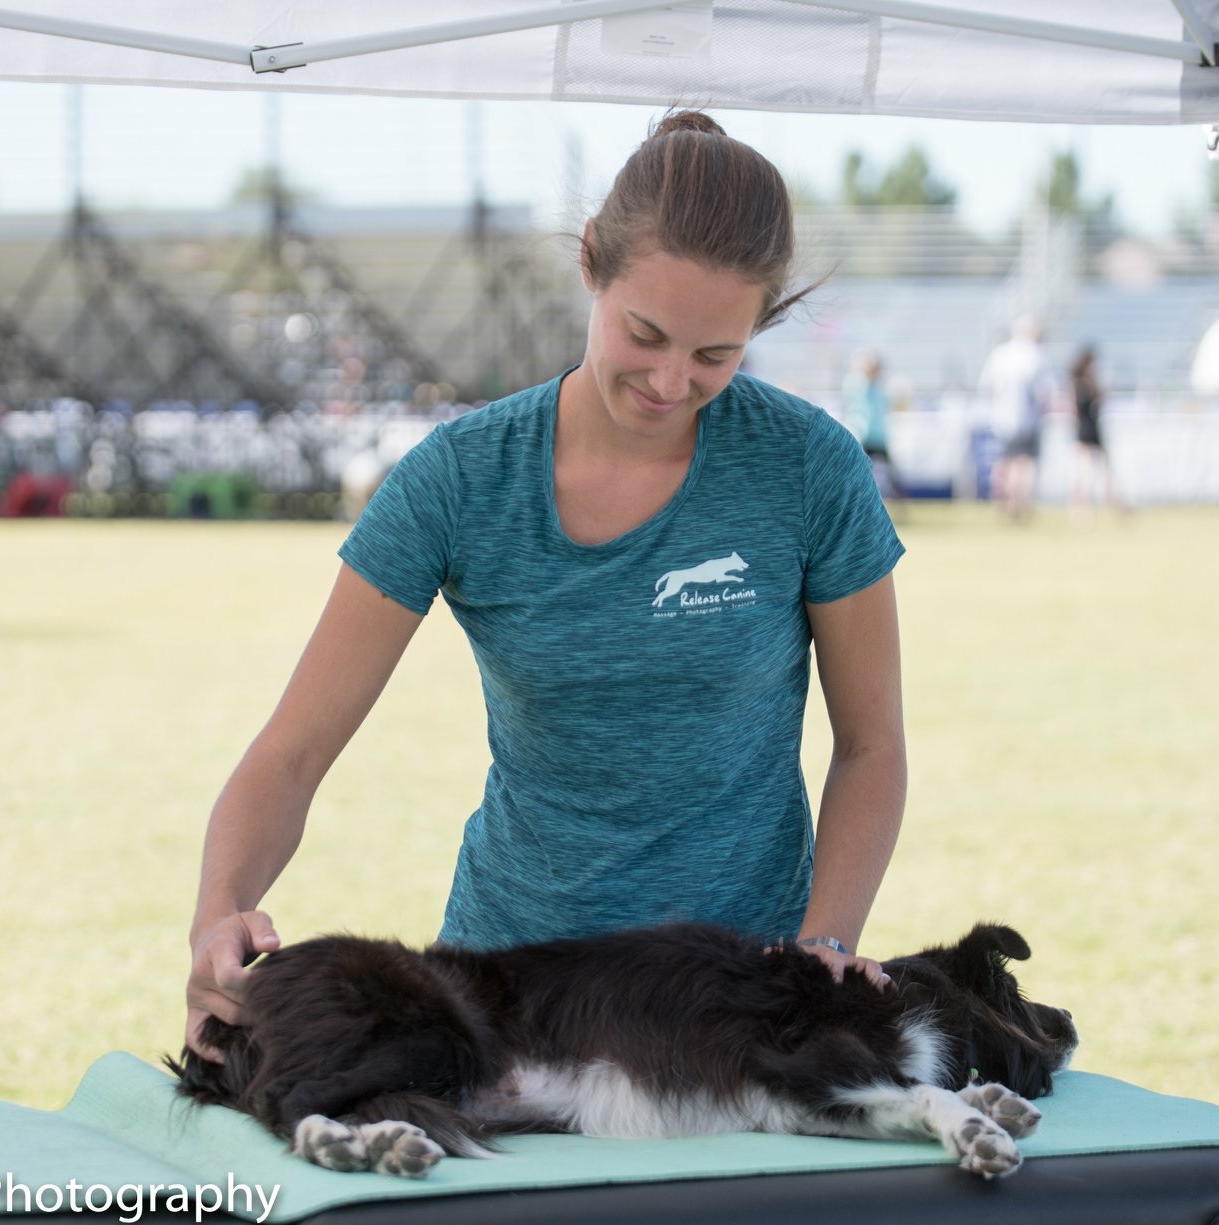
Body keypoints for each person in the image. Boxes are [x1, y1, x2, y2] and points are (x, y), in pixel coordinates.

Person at [186, 111, 908, 1061]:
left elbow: (869, 746)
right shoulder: (460, 477)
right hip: (507, 998)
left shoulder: (808, 465)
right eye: (643, 332)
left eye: (713, 356)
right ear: (589, 264)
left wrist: (821, 950)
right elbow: (290, 756)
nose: (667, 380)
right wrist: (217, 916)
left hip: (737, 1006)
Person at [978, 315, 1053, 520]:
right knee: (1025, 463)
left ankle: (1003, 502)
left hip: (1001, 418)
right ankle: (1022, 503)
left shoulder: (999, 354)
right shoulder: (1037, 355)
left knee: (1004, 461)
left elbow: (987, 387)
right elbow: (1044, 392)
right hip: (1028, 418)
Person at [1068, 345, 1124, 518]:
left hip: (1087, 430)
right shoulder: (1085, 384)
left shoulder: (1079, 383)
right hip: (1088, 430)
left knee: (1090, 472)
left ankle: (1098, 506)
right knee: (1089, 472)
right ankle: (1086, 508)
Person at [841, 348, 901, 498]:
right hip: (861, 434)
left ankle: (899, 499)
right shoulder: (856, 382)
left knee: (891, 473)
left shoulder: (879, 387)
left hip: (877, 436)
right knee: (856, 472)